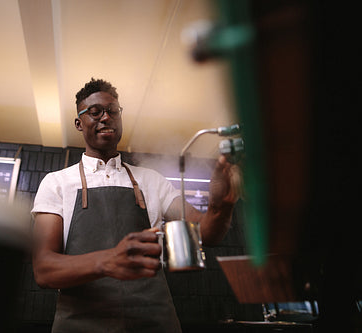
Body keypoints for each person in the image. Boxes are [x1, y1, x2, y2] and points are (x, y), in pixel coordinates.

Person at [31, 78, 241, 332]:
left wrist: (222, 205)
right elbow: (44, 270)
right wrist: (109, 260)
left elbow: (206, 233)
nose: (106, 117)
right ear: (79, 123)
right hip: (81, 323)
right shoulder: (56, 183)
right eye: (95, 112)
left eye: (113, 111)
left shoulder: (151, 180)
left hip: (153, 322)